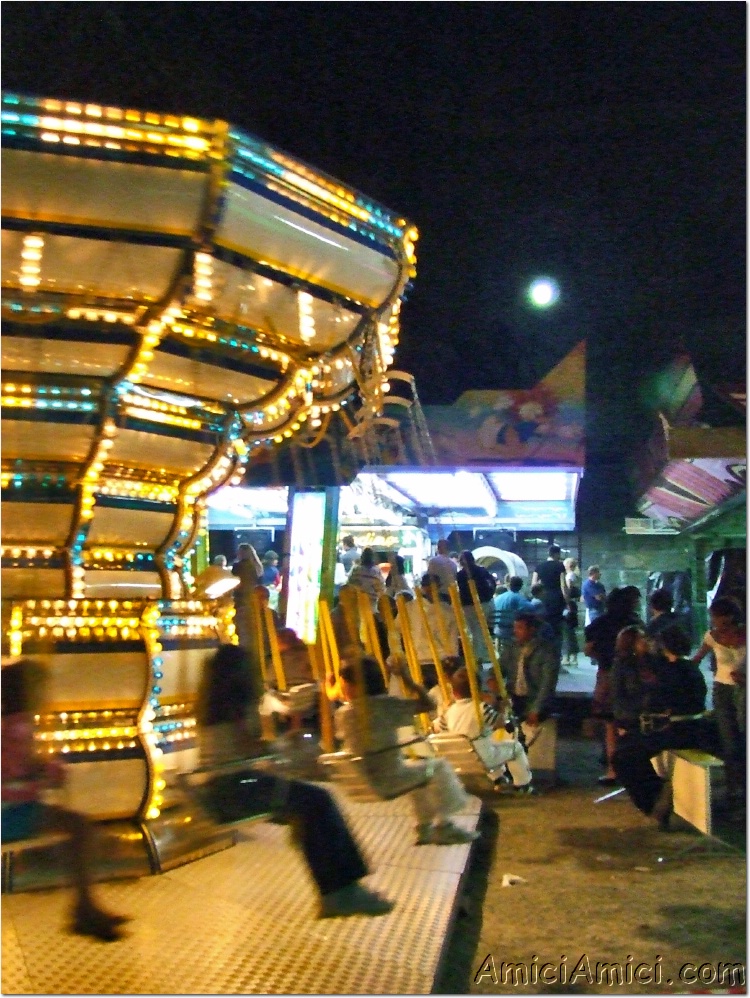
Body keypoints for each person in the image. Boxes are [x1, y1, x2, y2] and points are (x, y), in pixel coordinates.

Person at [195, 644, 393, 918]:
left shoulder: (213, 709)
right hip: (238, 788)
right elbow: (251, 750)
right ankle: (341, 891)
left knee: (311, 806)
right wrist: (283, 746)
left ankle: (339, 890)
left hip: (226, 788)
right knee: (319, 801)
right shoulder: (237, 710)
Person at [2, 659, 130, 941]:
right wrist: (48, 770)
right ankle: (84, 908)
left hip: (16, 808)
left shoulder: (14, 723)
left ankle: (85, 907)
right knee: (80, 829)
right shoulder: (17, 726)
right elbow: (15, 774)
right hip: (10, 813)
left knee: (78, 830)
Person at [333, 656, 479, 846]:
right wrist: (406, 678)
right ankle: (444, 825)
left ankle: (424, 828)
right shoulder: (388, 706)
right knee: (438, 767)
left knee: (419, 772)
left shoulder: (343, 714)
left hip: (365, 778)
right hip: (388, 779)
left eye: (344, 683)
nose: (341, 687)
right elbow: (429, 704)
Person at [613, 625, 710, 828]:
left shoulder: (669, 671)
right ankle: (657, 797)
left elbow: (666, 703)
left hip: (676, 729)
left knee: (625, 756)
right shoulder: (684, 668)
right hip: (685, 727)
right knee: (628, 752)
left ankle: (655, 800)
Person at [436, 667, 534, 792]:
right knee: (515, 748)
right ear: (477, 690)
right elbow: (500, 723)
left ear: (454, 692)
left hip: (457, 761)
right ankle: (523, 785)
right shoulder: (480, 708)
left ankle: (499, 780)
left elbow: (439, 729)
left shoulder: (448, 712)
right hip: (482, 759)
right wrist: (503, 708)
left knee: (492, 745)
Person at [692, 597, 746, 808]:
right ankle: (734, 786)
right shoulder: (712, 636)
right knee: (729, 738)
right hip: (722, 689)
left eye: (718, 616)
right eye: (713, 617)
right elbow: (697, 659)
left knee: (743, 736)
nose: (715, 621)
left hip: (744, 689)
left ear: (730, 616)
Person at [584, 586, 642, 785]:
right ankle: (630, 766)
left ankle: (612, 768)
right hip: (634, 676)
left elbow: (588, 648)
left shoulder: (600, 623)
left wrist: (601, 656)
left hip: (607, 674)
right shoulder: (634, 623)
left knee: (609, 722)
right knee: (630, 722)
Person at [501, 612, 559, 729]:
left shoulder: (546, 651)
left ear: (531, 630)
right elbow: (500, 666)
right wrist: (492, 677)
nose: (515, 631)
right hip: (514, 698)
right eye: (515, 628)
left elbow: (547, 683)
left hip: (533, 699)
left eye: (520, 628)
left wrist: (536, 709)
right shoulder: (511, 648)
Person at [394, 573, 458, 668]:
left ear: (439, 587)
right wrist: (398, 653)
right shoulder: (410, 607)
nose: (431, 589)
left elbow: (453, 637)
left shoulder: (447, 610)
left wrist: (452, 657)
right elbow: (396, 630)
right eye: (427, 586)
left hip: (441, 659)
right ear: (423, 587)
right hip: (416, 658)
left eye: (434, 586)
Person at [457, 550, 496, 664]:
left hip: (467, 605)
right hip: (483, 602)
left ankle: (474, 656)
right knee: (480, 630)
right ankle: (480, 655)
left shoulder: (460, 575)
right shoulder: (482, 570)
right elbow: (492, 582)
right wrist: (490, 594)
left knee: (472, 630)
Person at [531, 545, 569, 661]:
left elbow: (534, 584)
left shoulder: (539, 566)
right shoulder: (560, 566)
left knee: (543, 627)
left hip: (543, 599)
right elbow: (563, 585)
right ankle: (556, 658)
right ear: (557, 554)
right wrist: (567, 601)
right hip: (557, 600)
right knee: (557, 630)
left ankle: (543, 656)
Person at [231, 542, 264, 650]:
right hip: (253, 599)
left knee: (240, 627)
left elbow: (234, 583)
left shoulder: (237, 566)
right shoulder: (257, 567)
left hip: (240, 599)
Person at [493, 576, 532, 655]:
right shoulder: (518, 597)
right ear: (521, 586)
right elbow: (531, 608)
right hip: (510, 630)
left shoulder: (498, 597)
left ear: (509, 585)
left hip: (497, 628)